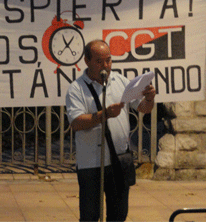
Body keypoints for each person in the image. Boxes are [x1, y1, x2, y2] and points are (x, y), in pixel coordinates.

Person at [65, 39, 156, 221]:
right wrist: (104, 114)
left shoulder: (120, 81)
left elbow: (143, 108)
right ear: (87, 61)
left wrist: (150, 98)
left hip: (119, 159)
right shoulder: (77, 89)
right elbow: (76, 123)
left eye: (108, 60)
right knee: (90, 215)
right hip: (91, 163)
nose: (105, 65)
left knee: (119, 214)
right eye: (99, 61)